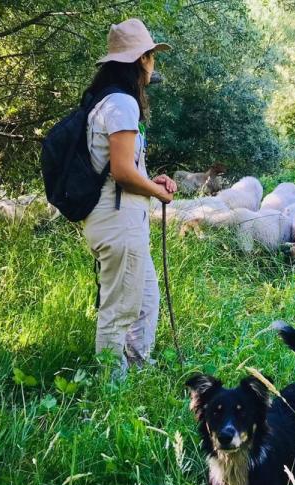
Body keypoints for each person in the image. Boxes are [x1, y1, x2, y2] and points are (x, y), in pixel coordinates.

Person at [83, 18, 177, 374]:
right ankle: (112, 390)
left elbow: (119, 167)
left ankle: (138, 371)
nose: (154, 63)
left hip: (120, 218)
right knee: (120, 310)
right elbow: (122, 174)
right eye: (152, 56)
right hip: (118, 222)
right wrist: (159, 193)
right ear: (142, 59)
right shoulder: (122, 104)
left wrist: (151, 181)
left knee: (146, 300)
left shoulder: (108, 102)